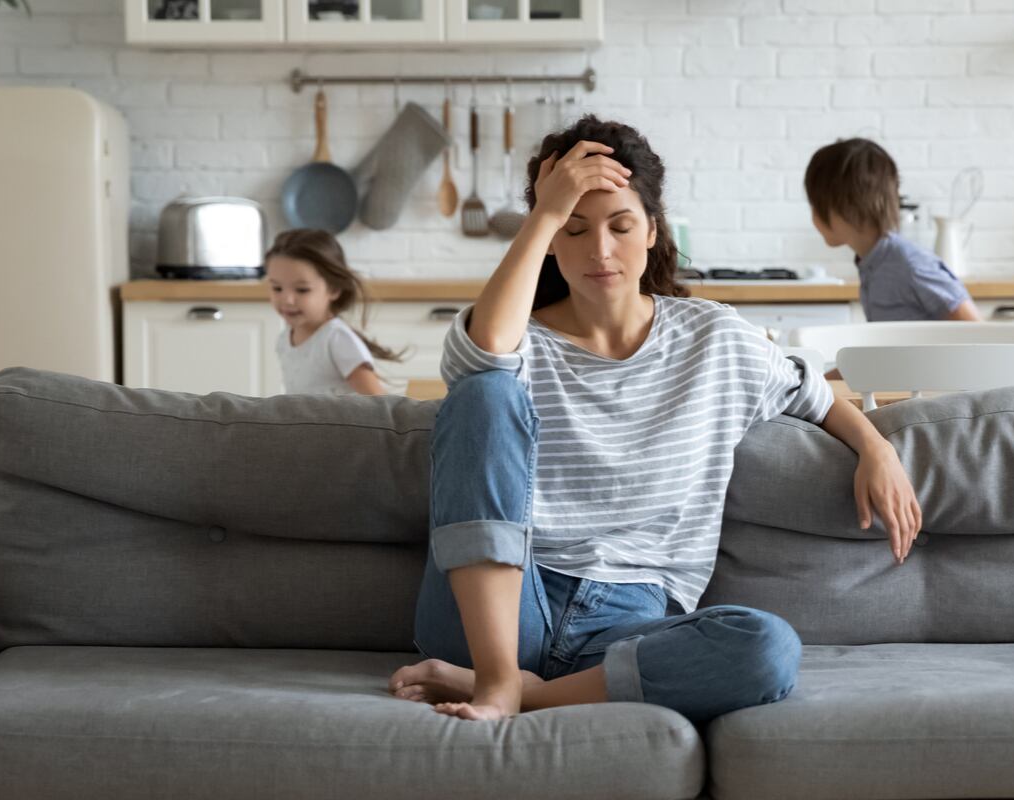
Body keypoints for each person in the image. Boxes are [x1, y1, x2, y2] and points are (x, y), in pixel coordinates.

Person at [389, 116, 922, 724]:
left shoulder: (714, 339)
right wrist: (543, 210)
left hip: (629, 622)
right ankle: (496, 671)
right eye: (573, 227)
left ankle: (516, 691)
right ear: (550, 238)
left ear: (651, 232)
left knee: (767, 647)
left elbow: (817, 398)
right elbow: (483, 355)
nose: (599, 250)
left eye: (620, 226)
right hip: (501, 601)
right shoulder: (516, 340)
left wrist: (877, 449)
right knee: (484, 393)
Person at [805, 138, 981, 322]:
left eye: (816, 205)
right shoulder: (872, 263)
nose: (813, 216)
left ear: (847, 207)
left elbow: (977, 333)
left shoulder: (911, 265)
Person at [264, 229, 404, 396]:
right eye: (277, 288)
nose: (287, 299)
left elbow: (379, 402)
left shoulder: (337, 340)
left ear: (334, 288)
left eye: (302, 290)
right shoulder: (284, 339)